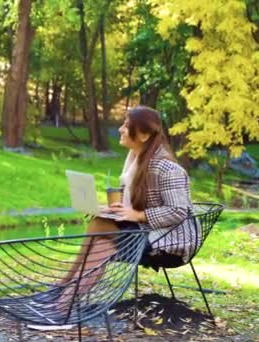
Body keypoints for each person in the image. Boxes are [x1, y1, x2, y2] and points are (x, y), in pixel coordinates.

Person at [58, 106, 195, 301]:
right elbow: (137, 203)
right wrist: (113, 210)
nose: (121, 129)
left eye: (126, 125)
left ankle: (64, 306)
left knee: (102, 246)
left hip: (170, 244)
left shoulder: (167, 168)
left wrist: (138, 215)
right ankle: (65, 286)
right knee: (98, 223)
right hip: (147, 231)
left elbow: (178, 211)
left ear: (144, 134)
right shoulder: (135, 160)